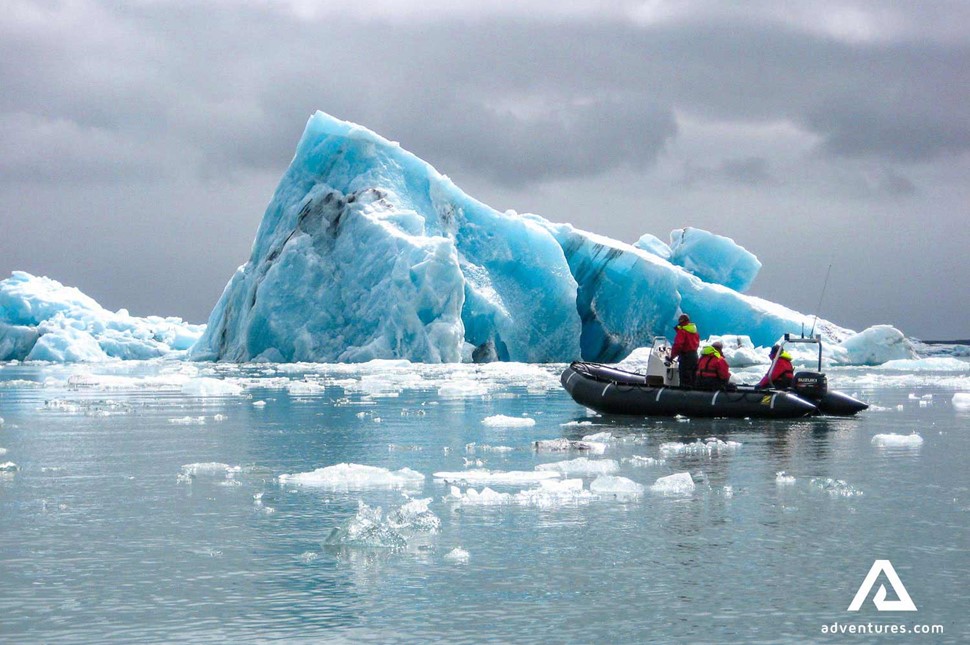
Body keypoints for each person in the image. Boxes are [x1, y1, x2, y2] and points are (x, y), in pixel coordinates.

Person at [670, 314, 700, 388]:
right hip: (694, 356)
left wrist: (672, 357)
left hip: (686, 357)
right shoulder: (695, 332)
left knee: (685, 379)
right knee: (693, 378)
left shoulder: (682, 332)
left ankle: (683, 397)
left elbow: (678, 345)